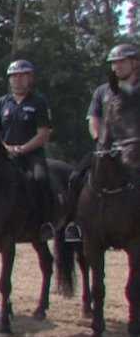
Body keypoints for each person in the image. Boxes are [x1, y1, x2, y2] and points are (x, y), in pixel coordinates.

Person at [65, 43, 140, 241]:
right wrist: (100, 140)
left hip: (135, 149)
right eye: (114, 63)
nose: (117, 66)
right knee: (74, 178)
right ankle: (74, 225)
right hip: (107, 150)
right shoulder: (102, 91)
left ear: (135, 63)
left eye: (122, 62)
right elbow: (93, 119)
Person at [0, 59, 54, 240]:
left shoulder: (38, 102)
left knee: (41, 178)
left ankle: (45, 222)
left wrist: (22, 149)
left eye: (21, 76)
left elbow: (43, 133)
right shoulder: (2, 102)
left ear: (30, 78)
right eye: (13, 76)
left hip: (32, 154)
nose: (16, 80)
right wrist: (5, 147)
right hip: (6, 153)